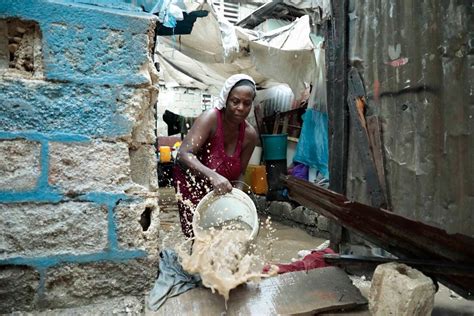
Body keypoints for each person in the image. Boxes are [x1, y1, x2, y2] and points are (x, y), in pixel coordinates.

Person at [173, 74, 258, 238]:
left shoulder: (250, 135)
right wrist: (213, 176)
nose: (240, 107)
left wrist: (237, 200)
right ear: (226, 99)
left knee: (224, 233)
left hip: (218, 189)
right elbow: (184, 154)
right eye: (235, 101)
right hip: (192, 182)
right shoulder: (210, 119)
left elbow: (240, 173)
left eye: (246, 103)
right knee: (198, 235)